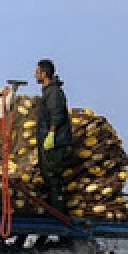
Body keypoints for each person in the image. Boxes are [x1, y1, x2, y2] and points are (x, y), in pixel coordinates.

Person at [34, 58, 73, 214]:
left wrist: (51, 134)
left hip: (55, 141)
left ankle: (58, 211)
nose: (34, 75)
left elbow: (56, 114)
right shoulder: (48, 92)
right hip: (48, 140)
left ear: (44, 74)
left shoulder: (54, 92)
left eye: (37, 72)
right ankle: (53, 208)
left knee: (53, 175)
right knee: (47, 175)